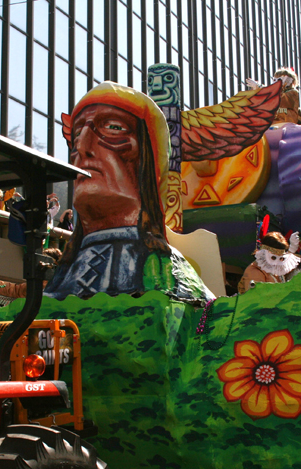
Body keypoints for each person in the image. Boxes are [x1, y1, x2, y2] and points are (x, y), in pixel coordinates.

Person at [48, 82, 213, 303]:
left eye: (114, 127)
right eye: (77, 134)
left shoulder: (165, 268)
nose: (82, 147)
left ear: (148, 156)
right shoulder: (65, 272)